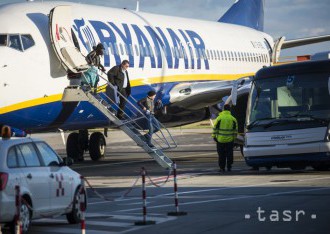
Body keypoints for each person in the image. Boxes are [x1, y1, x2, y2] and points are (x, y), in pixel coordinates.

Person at [212, 104, 238, 172]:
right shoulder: (233, 119)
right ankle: (229, 167)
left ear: (223, 109)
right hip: (230, 140)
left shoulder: (219, 118)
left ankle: (222, 168)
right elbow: (235, 131)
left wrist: (214, 137)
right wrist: (234, 138)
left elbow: (215, 128)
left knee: (221, 155)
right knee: (229, 154)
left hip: (220, 140)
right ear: (229, 110)